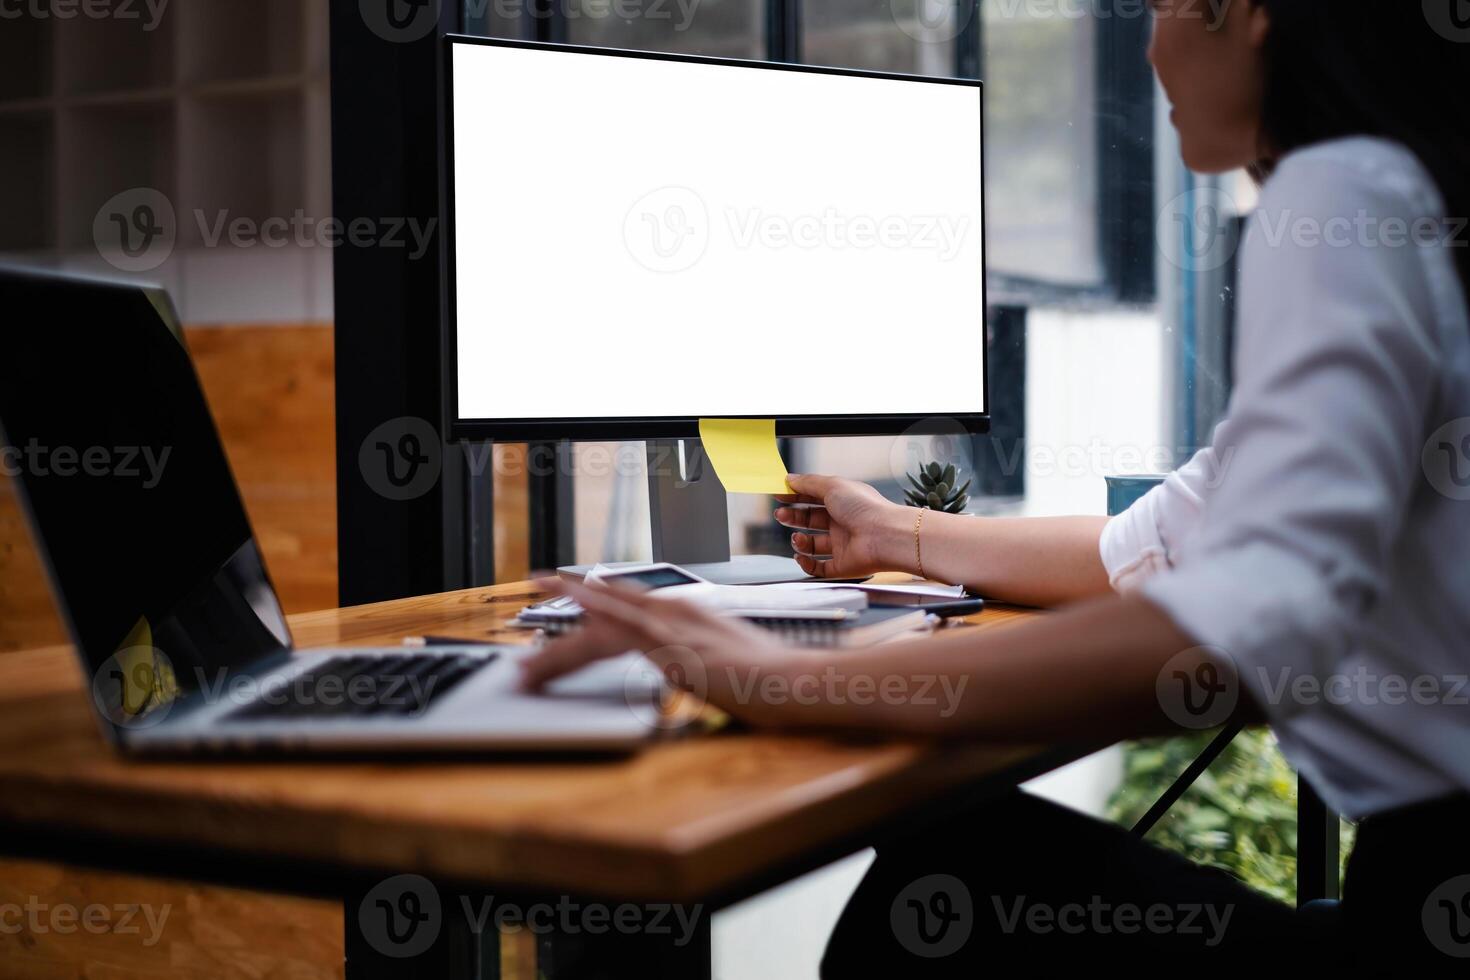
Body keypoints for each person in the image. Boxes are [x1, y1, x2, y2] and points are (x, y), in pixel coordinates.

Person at [522, 0, 1470, 969]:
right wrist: (895, 534)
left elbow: (1251, 617)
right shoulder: (1403, 201)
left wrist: (789, 677)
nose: (1146, 47)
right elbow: (1154, 545)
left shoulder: (1337, 197)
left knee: (947, 875)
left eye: (1156, 9)